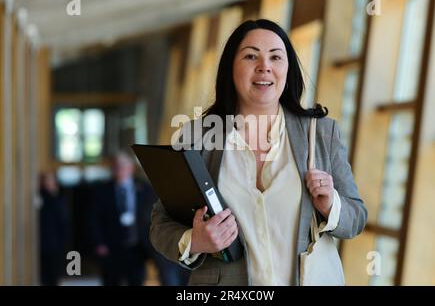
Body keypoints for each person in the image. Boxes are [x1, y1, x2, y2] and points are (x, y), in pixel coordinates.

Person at [150, 19, 368, 286]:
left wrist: (330, 205)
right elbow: (160, 224)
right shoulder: (198, 138)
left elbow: (356, 217)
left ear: (287, 69)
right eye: (251, 56)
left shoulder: (321, 134)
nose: (264, 66)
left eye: (276, 57)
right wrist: (196, 241)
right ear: (231, 67)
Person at [90, 151, 190, 286]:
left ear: (131, 167)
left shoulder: (146, 189)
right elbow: (93, 219)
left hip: (138, 248)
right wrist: (99, 243)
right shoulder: (102, 190)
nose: (120, 168)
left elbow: (155, 216)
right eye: (117, 165)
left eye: (123, 165)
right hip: (112, 247)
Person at [39, 171, 69, 286]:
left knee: (53, 275)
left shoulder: (59, 199)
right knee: (45, 275)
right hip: (42, 242)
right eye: (45, 180)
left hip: (55, 243)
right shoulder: (40, 197)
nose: (47, 183)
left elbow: (63, 223)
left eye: (50, 180)